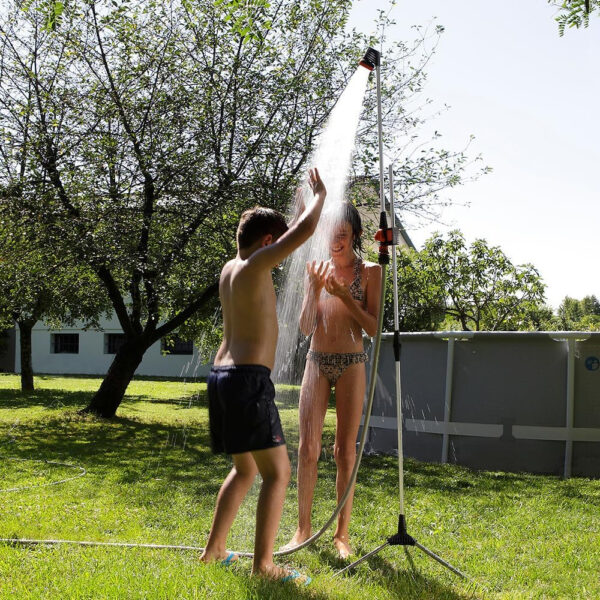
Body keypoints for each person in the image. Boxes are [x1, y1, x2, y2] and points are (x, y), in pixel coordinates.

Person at [200, 168, 327, 584]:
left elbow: (287, 233)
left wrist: (293, 211)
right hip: (248, 380)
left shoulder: (231, 268)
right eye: (276, 242)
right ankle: (264, 565)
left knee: (246, 470)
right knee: (278, 473)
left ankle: (214, 551)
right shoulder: (256, 266)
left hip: (222, 376)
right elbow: (305, 232)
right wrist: (319, 199)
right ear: (267, 244)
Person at [283, 202, 381, 559]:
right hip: (317, 361)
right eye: (330, 234)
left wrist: (345, 298)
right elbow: (306, 327)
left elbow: (373, 328)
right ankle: (302, 529)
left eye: (342, 234)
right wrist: (312, 290)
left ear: (354, 233)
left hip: (353, 362)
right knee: (308, 448)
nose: (335, 241)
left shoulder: (370, 272)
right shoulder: (316, 268)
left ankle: (342, 535)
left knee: (344, 451)